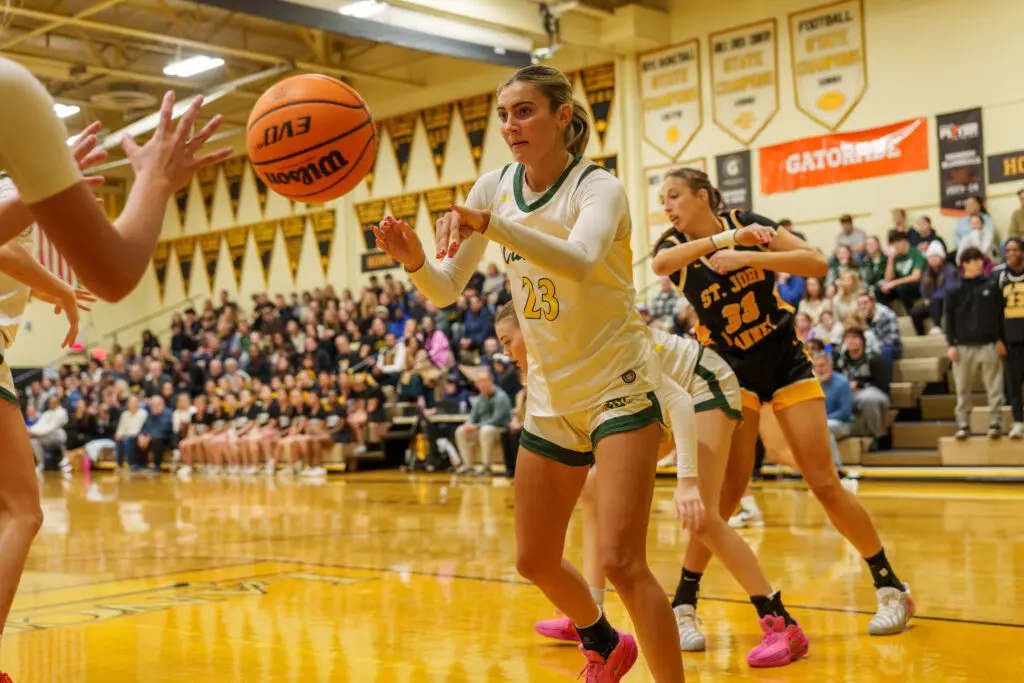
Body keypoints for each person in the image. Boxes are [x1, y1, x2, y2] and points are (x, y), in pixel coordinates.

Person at [374, 64, 681, 683]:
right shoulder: (494, 186)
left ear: (563, 116)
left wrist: (490, 224)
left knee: (622, 563)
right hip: (550, 396)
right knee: (535, 560)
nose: (511, 125)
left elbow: (581, 258)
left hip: (618, 386)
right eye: (504, 115)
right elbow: (446, 289)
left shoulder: (598, 188)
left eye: (524, 111)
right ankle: (605, 644)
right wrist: (414, 262)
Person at [653, 167, 914, 643]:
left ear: (703, 195)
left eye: (674, 195)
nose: (666, 205)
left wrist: (746, 252)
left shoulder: (747, 221)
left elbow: (816, 263)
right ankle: (684, 605)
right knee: (727, 496)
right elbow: (661, 265)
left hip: (784, 358)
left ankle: (891, 588)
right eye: (662, 199)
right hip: (730, 370)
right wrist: (723, 243)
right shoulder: (675, 245)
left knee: (824, 483)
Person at [522, 307, 808, 667]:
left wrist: (686, 482)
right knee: (593, 487)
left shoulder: (597, 340)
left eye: (506, 341)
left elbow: (679, 401)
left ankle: (781, 622)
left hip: (703, 383)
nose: (506, 352)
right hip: (662, 398)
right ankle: (591, 608)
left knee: (701, 515)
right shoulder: (561, 353)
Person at [946, 247, 1006, 439]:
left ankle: (995, 423)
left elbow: (1000, 315)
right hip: (963, 346)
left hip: (989, 344)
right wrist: (951, 344)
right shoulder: (954, 289)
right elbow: (949, 319)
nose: (980, 263)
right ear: (965, 264)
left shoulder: (991, 286)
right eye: (975, 260)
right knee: (962, 389)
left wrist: (1000, 340)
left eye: (980, 260)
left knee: (995, 387)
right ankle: (963, 425)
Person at [836, 328, 892, 452]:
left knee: (868, 398)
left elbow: (883, 384)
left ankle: (878, 437)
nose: (851, 341)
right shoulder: (841, 360)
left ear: (862, 341)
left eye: (855, 338)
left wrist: (860, 384)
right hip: (849, 393)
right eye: (848, 338)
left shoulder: (874, 358)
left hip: (875, 393)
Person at [994, 238, 1024, 438]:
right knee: (1013, 384)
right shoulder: (998, 276)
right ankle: (1018, 422)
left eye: (1016, 250)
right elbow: (993, 312)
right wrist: (998, 339)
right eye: (1008, 250)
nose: (1011, 253)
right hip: (1009, 338)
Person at [453, 373, 512, 475]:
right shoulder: (480, 397)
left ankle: (486, 467)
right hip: (482, 428)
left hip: (500, 428)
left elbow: (497, 419)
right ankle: (468, 466)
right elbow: (473, 415)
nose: (481, 386)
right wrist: (469, 424)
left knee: (486, 430)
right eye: (479, 383)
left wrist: (477, 426)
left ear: (491, 382)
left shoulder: (501, 397)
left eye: (484, 382)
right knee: (460, 431)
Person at [814, 351, 855, 472]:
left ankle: (836, 469)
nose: (819, 370)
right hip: (818, 423)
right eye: (816, 366)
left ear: (830, 366)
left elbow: (845, 411)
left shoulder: (842, 383)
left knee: (825, 427)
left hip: (842, 423)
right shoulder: (812, 383)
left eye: (822, 365)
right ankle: (800, 470)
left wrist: (823, 420)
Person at [909, 241, 958, 335]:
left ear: (941, 257)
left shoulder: (950, 271)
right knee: (915, 312)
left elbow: (950, 290)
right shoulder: (927, 273)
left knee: (936, 300)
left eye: (936, 256)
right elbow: (923, 290)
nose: (933, 259)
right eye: (931, 257)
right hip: (931, 303)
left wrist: (931, 298)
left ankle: (937, 325)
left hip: (946, 302)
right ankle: (920, 335)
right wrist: (926, 298)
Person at [878, 230, 925, 312]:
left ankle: (911, 313)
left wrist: (894, 283)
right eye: (893, 244)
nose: (894, 247)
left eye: (896, 243)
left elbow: (916, 277)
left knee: (902, 287)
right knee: (880, 290)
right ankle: (887, 315)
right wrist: (890, 259)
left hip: (918, 285)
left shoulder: (916, 253)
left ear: (904, 241)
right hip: (901, 286)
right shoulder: (895, 257)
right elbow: (888, 279)